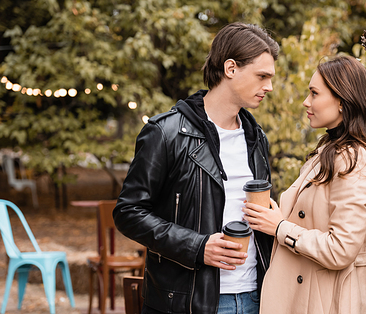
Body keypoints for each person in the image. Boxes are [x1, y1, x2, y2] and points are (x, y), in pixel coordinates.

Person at [113, 22, 278, 314]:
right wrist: (197, 247)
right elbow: (128, 213)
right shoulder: (166, 133)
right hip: (187, 302)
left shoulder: (257, 138)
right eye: (262, 76)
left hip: (255, 297)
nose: (269, 86)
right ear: (231, 69)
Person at [243, 55, 366, 314]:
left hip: (327, 299)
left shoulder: (357, 160)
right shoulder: (330, 152)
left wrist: (280, 227)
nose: (306, 102)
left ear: (342, 101)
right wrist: (275, 215)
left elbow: (341, 249)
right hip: (306, 292)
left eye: (314, 93)